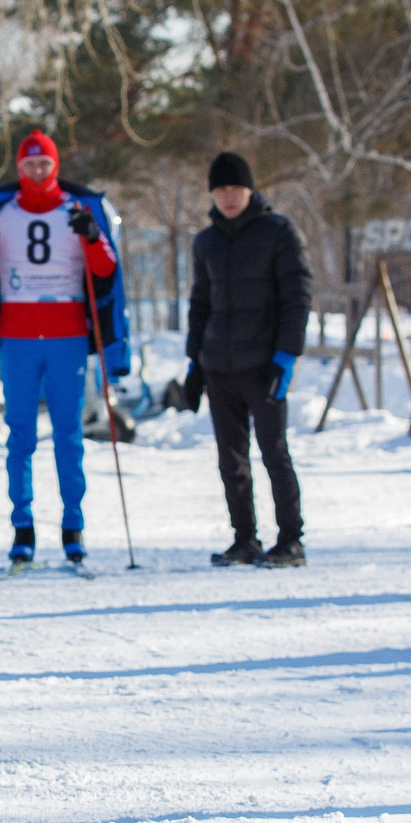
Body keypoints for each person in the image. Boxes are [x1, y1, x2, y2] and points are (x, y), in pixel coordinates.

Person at [0, 130, 128, 568]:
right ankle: (23, 528)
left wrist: (92, 235)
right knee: (20, 437)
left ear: (55, 166)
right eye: (29, 164)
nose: (36, 171)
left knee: (69, 434)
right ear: (19, 167)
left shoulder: (76, 211)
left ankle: (73, 526)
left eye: (44, 163)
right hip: (17, 337)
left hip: (68, 335)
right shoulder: (2, 211)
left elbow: (107, 268)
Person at [183, 151, 313, 568]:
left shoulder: (278, 233)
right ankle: (244, 539)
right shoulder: (206, 242)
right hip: (219, 367)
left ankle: (290, 541)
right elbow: (200, 304)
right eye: (220, 190)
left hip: (263, 365)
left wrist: (286, 355)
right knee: (231, 460)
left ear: (250, 190)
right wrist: (194, 363)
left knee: (274, 453)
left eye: (235, 188)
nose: (228, 197)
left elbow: (297, 297)